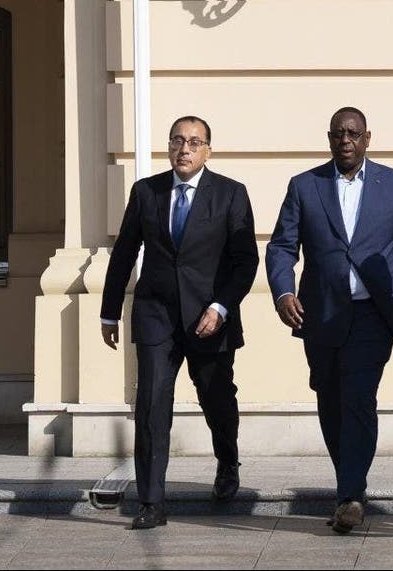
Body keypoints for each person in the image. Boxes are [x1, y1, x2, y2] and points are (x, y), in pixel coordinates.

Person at [265, 106, 393, 534]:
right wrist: (283, 292)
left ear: (368, 138)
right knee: (329, 399)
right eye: (338, 134)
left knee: (358, 398)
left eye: (353, 133)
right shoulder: (305, 186)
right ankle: (349, 484)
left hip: (374, 312)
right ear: (329, 138)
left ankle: (351, 495)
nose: (346, 140)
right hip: (320, 312)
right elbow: (282, 247)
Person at [100, 116, 258, 530]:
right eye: (176, 141)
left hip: (210, 318)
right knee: (152, 403)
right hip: (156, 316)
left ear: (208, 149)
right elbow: (124, 254)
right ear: (168, 147)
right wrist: (109, 310)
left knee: (216, 397)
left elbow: (245, 262)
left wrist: (221, 307)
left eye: (193, 142)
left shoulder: (230, 194)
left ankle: (227, 461)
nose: (183, 150)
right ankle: (151, 501)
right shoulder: (146, 192)